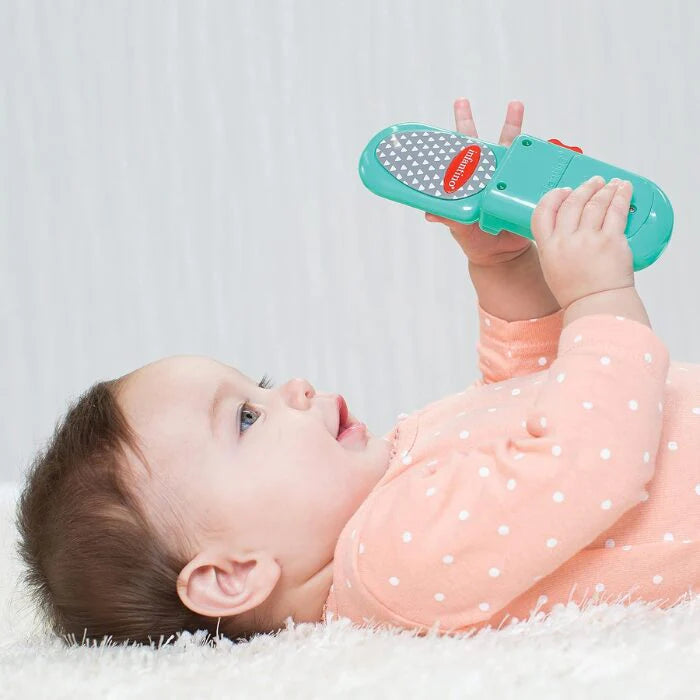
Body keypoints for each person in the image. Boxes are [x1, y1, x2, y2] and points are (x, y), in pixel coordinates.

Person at [16, 99, 698, 646]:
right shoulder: (391, 561)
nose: (293, 388)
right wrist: (598, 298)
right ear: (232, 576)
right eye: (247, 418)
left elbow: (531, 393)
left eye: (260, 385)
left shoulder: (389, 484)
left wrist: (504, 267)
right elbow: (586, 465)